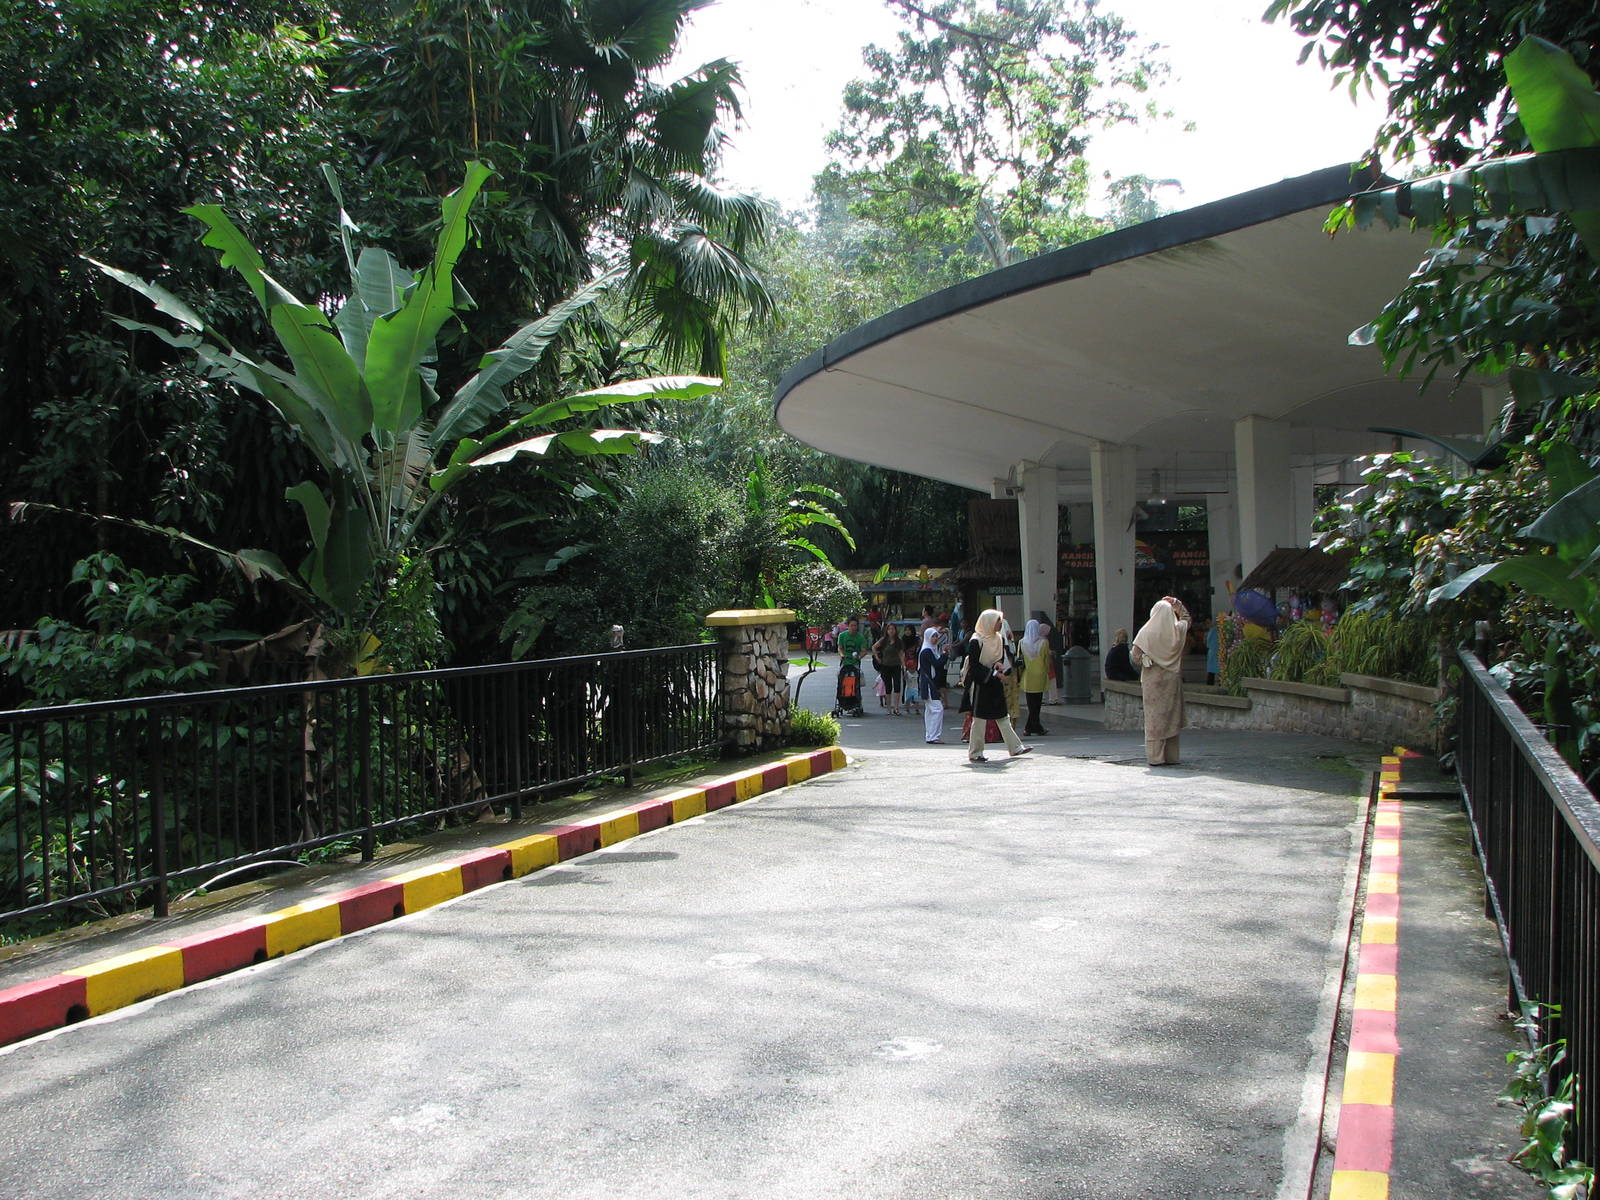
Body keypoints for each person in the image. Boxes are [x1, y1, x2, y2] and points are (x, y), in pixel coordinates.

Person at [963, 609, 1032, 763]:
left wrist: (999, 666)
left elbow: (998, 659)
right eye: (998, 621)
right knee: (980, 719)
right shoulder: (976, 640)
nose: (1000, 624)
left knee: (1002, 716)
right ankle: (975, 752)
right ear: (988, 622)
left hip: (995, 682)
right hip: (982, 684)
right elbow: (974, 666)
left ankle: (1015, 748)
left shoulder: (998, 639)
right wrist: (994, 674)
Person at [1131, 596, 1190, 766]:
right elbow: (1186, 619)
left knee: (1154, 718)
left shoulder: (1146, 632)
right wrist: (1177, 604)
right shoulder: (1177, 630)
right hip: (1172, 679)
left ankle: (1155, 757)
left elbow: (1135, 656)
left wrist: (1145, 658)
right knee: (1171, 716)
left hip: (1153, 681)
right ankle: (1172, 756)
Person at [1019, 618, 1053, 735]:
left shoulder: (1022, 642)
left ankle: (1031, 727)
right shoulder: (1044, 643)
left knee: (1031, 704)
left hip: (1028, 676)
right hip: (1041, 675)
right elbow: (1046, 660)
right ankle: (1033, 727)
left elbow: (1020, 659)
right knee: (1037, 703)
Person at [835, 616, 870, 717]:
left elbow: (864, 651)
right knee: (842, 681)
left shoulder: (860, 637)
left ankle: (856, 702)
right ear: (848, 626)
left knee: (855, 683)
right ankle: (842, 701)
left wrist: (858, 657)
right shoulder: (842, 636)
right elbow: (840, 648)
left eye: (855, 625)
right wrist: (842, 655)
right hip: (845, 663)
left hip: (855, 664)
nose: (853, 627)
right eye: (851, 625)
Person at [918, 626, 948, 743]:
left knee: (930, 710)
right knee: (937, 709)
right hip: (929, 684)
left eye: (936, 636)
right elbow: (938, 664)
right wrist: (945, 654)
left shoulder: (929, 650)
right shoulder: (927, 651)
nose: (935, 639)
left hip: (928, 683)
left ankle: (930, 735)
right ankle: (934, 736)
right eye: (933, 636)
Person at [874, 623, 906, 715]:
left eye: (893, 629)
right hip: (885, 666)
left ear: (896, 630)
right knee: (888, 687)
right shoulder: (884, 640)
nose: (891, 631)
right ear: (886, 631)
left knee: (897, 686)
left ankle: (896, 708)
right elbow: (874, 647)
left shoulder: (898, 641)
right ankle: (888, 708)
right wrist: (877, 658)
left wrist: (903, 665)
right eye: (889, 629)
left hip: (896, 665)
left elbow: (901, 654)